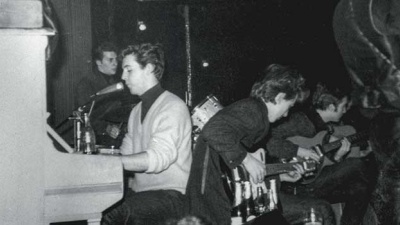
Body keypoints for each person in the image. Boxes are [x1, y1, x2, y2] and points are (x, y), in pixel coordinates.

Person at [185, 64, 318, 225]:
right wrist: (247, 159)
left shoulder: (257, 114)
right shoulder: (253, 110)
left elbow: (238, 169)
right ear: (279, 97)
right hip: (214, 200)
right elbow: (212, 130)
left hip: (218, 198)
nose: (286, 114)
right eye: (289, 106)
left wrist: (280, 176)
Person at [101, 43, 193, 225]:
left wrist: (109, 163)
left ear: (149, 68)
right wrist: (96, 159)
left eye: (129, 70)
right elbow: (126, 155)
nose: (122, 76)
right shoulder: (136, 111)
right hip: (144, 195)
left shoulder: (173, 107)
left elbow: (158, 159)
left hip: (172, 196)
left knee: (113, 214)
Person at [266, 82, 376, 225]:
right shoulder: (301, 121)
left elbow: (323, 163)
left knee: (360, 188)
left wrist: (338, 156)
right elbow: (269, 140)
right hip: (294, 184)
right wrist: (299, 151)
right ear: (331, 107)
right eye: (343, 107)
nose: (345, 111)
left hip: (313, 181)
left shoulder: (323, 127)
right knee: (357, 164)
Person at [75, 41, 133, 147]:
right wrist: (106, 127)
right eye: (110, 60)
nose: (115, 63)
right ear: (98, 62)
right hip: (96, 141)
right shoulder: (86, 84)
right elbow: (85, 116)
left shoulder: (117, 83)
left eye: (116, 59)